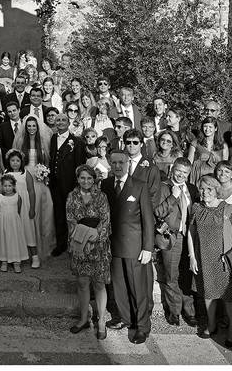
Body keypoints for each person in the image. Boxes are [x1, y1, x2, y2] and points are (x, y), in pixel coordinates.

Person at [187, 165, 232, 347]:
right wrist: (192, 256)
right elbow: (191, 233)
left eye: (209, 189)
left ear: (216, 190)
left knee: (229, 297)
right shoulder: (197, 208)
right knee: (208, 294)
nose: (205, 192)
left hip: (226, 260)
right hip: (204, 258)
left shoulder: (229, 209)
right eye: (202, 188)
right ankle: (211, 323)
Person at [101, 151, 155, 344]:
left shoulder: (139, 186)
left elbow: (148, 220)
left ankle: (142, 327)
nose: (117, 166)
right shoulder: (106, 185)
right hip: (113, 247)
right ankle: (125, 319)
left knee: (138, 290)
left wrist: (148, 247)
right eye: (114, 162)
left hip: (135, 248)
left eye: (121, 162)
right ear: (109, 163)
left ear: (128, 164)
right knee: (119, 287)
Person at [66, 164, 112, 340]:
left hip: (98, 247)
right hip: (79, 246)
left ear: (94, 179)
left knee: (99, 284)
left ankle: (101, 322)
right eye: (82, 178)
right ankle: (84, 319)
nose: (86, 181)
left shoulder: (101, 197)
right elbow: (70, 220)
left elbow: (106, 221)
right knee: (82, 283)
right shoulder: (72, 197)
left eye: (89, 178)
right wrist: (81, 238)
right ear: (78, 179)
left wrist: (94, 236)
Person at [154, 158, 200, 327]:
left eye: (185, 172)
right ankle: (174, 311)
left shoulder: (192, 189)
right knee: (172, 275)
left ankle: (190, 311)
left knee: (187, 275)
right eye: (178, 171)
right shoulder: (164, 187)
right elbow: (158, 211)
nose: (181, 175)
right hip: (172, 236)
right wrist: (173, 196)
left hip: (190, 237)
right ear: (173, 170)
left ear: (189, 174)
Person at [14, 116, 55, 262]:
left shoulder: (42, 142)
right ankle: (24, 246)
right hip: (25, 176)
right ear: (25, 128)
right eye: (29, 126)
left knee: (43, 210)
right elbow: (15, 159)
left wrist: (44, 173)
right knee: (27, 209)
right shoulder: (20, 141)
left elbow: (46, 161)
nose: (31, 128)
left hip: (39, 177)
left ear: (37, 127)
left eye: (33, 126)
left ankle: (40, 245)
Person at [49, 113, 85, 257]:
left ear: (68, 122)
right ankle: (60, 244)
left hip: (70, 185)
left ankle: (74, 245)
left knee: (72, 216)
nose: (61, 122)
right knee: (58, 214)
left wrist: (78, 186)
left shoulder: (77, 142)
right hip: (55, 184)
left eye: (64, 120)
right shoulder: (53, 139)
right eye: (58, 120)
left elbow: (80, 166)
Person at [4, 149, 39, 267]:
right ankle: (13, 256)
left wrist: (32, 208)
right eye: (12, 160)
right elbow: (2, 191)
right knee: (12, 230)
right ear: (9, 162)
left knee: (28, 229)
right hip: (10, 206)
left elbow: (31, 191)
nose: (15, 163)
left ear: (21, 162)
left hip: (25, 205)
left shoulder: (25, 173)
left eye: (17, 161)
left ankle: (34, 257)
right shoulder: (5, 173)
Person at [0, 173, 28, 272]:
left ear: (13, 186)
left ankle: (16, 261)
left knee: (14, 240)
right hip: (3, 221)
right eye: (5, 186)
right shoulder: (0, 197)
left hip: (14, 222)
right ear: (2, 186)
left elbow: (19, 210)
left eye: (10, 186)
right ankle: (4, 261)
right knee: (4, 239)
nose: (7, 188)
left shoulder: (18, 197)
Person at [121, 129, 162, 205]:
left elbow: (154, 197)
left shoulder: (151, 168)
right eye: (128, 142)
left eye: (135, 142)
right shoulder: (118, 165)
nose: (131, 145)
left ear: (141, 144)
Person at [188, 117, 227, 186]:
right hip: (197, 176)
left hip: (215, 177)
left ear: (216, 128)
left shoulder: (223, 145)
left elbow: (225, 165)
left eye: (210, 127)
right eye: (205, 126)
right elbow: (189, 162)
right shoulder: (195, 143)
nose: (207, 129)